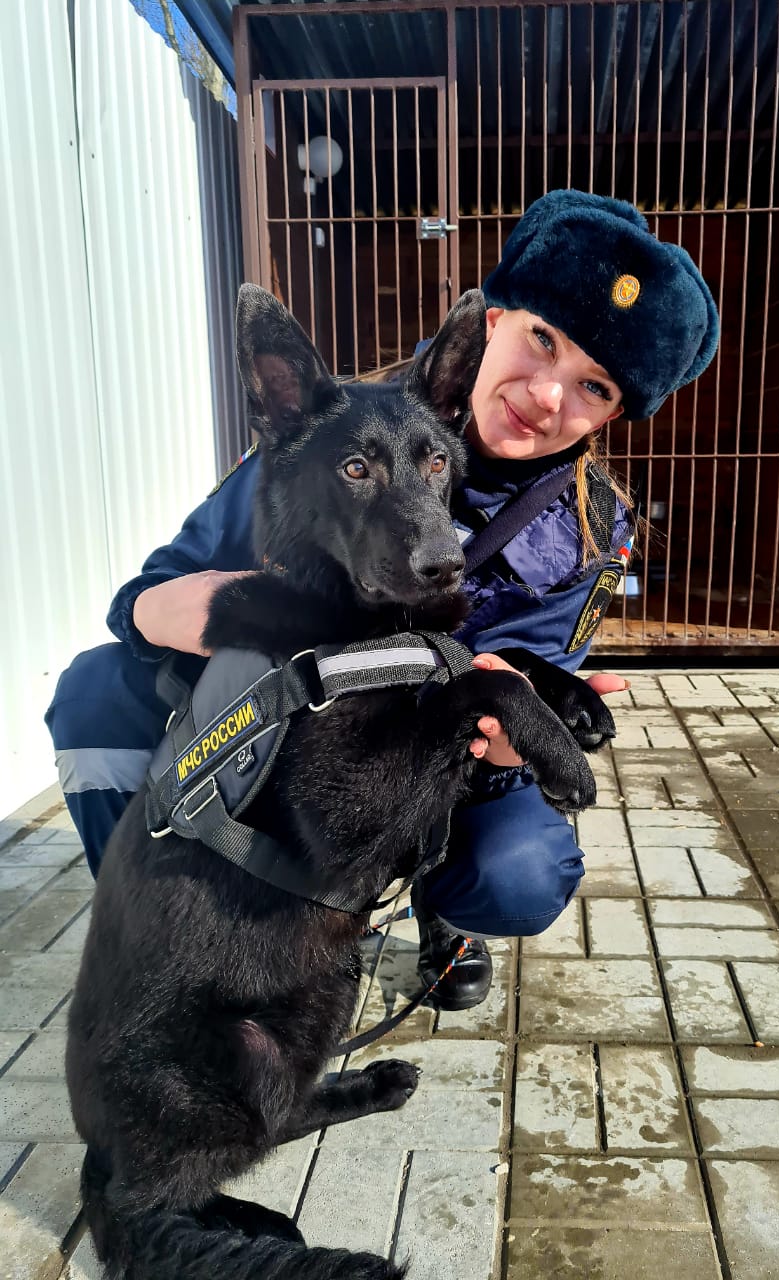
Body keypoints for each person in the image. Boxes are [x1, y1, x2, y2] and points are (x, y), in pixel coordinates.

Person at [46, 189, 719, 1010]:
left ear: (616, 415)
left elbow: (540, 678)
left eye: (595, 387)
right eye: (542, 339)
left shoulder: (586, 527)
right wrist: (166, 610)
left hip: (429, 754)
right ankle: (151, 911)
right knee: (93, 690)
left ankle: (443, 917)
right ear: (491, 323)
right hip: (282, 730)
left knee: (521, 873)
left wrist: (520, 739)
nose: (548, 395)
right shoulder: (327, 436)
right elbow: (146, 594)